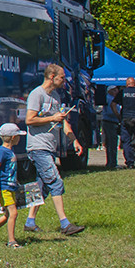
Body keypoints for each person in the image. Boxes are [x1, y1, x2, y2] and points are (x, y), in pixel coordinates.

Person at [24, 63, 85, 236]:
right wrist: (52, 117)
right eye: (62, 78)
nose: (64, 81)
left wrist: (74, 140)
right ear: (52, 77)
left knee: (40, 187)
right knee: (55, 182)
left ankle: (30, 222)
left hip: (50, 148)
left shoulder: (56, 96)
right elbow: (29, 120)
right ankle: (65, 224)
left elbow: (63, 122)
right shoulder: (37, 94)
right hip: (38, 147)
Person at [0, 122, 27, 248]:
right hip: (5, 188)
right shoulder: (2, 152)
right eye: (18, 136)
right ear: (13, 138)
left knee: (7, 215)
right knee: (13, 213)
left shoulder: (9, 151)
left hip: (11, 186)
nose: (20, 138)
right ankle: (12, 241)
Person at [100, 87, 121, 169]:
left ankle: (110, 162)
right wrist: (119, 115)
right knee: (112, 143)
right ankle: (112, 162)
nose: (117, 91)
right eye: (115, 90)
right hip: (110, 122)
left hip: (110, 121)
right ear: (110, 91)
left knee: (110, 143)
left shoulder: (112, 98)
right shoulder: (110, 99)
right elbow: (110, 111)